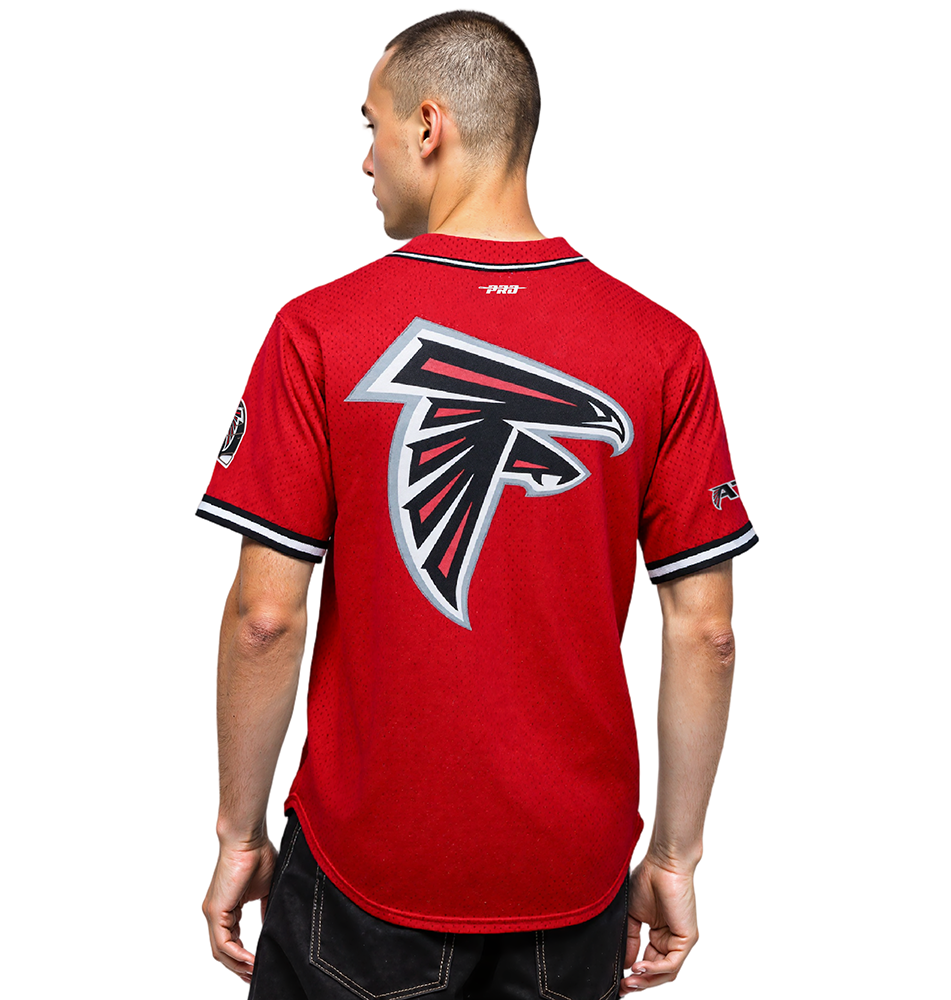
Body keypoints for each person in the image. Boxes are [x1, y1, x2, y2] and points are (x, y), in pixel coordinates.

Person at [197, 10, 758, 999]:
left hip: (364, 874)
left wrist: (240, 834)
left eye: (369, 124)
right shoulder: (662, 349)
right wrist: (673, 856)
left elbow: (264, 617)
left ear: (427, 126)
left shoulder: (316, 333)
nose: (364, 158)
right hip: (572, 879)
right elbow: (705, 630)